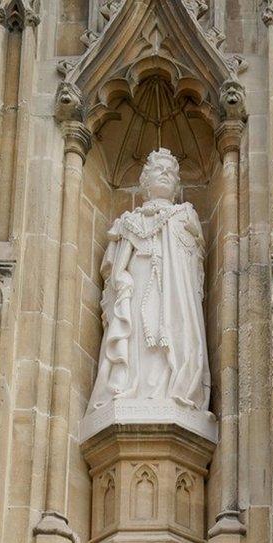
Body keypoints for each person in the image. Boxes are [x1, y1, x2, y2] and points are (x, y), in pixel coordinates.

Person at [86, 148, 210, 412]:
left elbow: (194, 260)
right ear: (145, 181)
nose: (165, 175)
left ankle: (172, 388)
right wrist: (121, 281)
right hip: (140, 283)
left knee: (171, 333)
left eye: (170, 172)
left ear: (177, 183)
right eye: (158, 170)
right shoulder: (131, 221)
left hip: (174, 290)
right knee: (139, 337)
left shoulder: (185, 215)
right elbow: (116, 267)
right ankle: (134, 388)